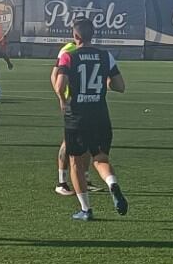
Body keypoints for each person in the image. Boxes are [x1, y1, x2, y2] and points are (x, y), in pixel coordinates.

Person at [52, 16, 128, 221]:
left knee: (76, 161)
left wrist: (62, 100)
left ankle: (86, 209)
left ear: (75, 36)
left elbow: (59, 85)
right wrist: (104, 84)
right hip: (100, 114)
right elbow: (120, 86)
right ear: (93, 35)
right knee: (100, 158)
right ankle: (112, 184)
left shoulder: (69, 56)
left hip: (77, 115)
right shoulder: (106, 56)